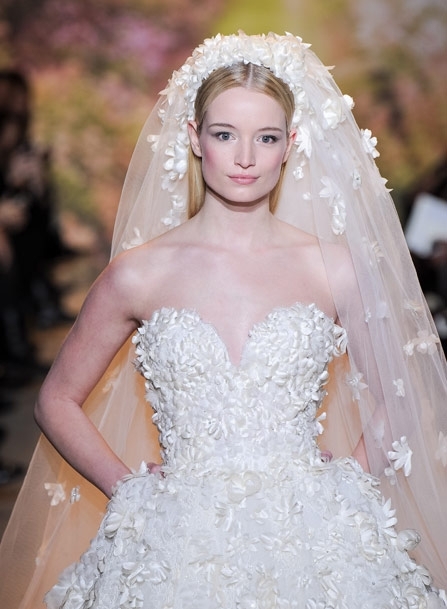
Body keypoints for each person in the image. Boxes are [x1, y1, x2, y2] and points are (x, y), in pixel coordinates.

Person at [0, 32, 446, 608]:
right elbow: (55, 400)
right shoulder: (140, 273)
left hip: (315, 540)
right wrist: (127, 489)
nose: (245, 157)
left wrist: (349, 480)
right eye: (225, 134)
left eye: (266, 137)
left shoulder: (334, 268)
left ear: (289, 145)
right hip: (170, 543)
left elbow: (402, 397)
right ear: (194, 138)